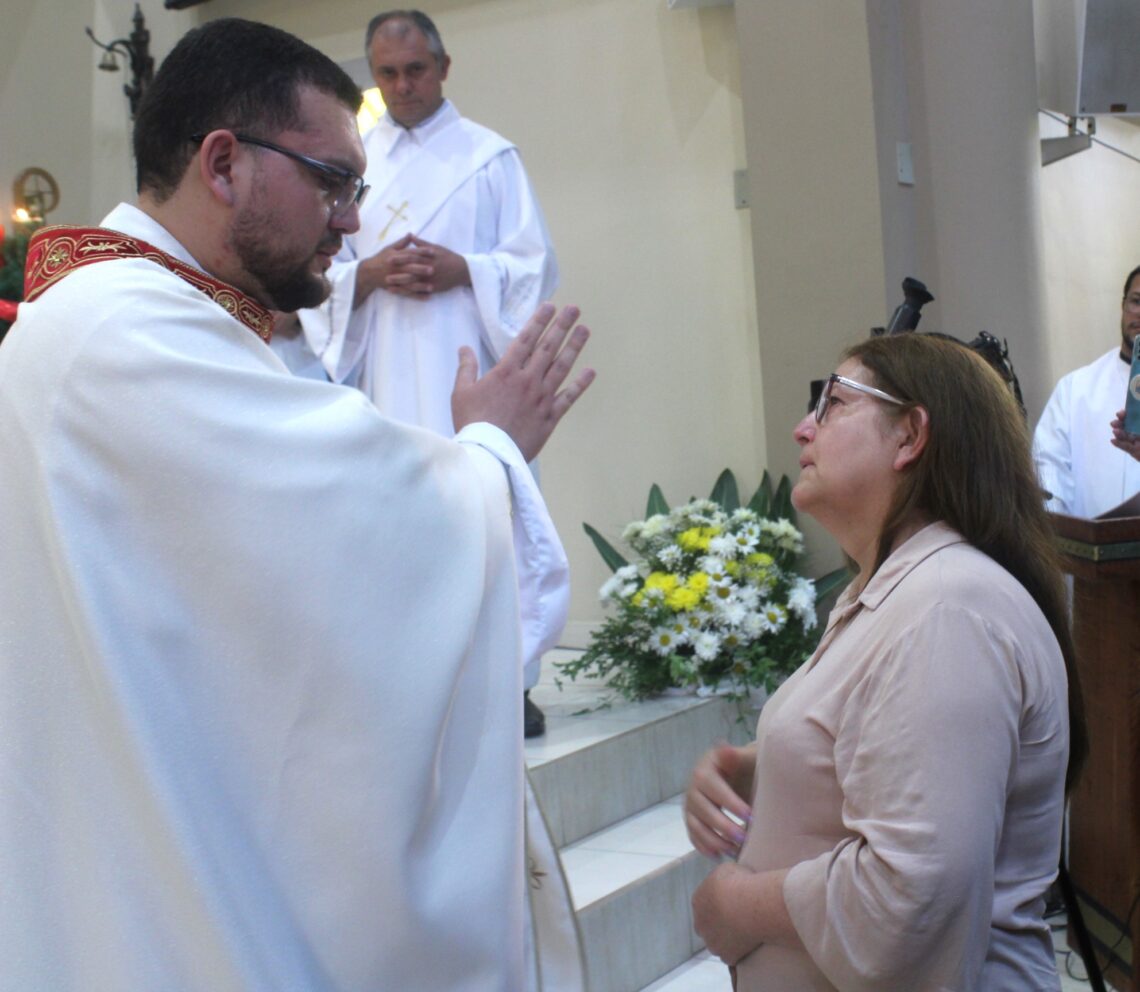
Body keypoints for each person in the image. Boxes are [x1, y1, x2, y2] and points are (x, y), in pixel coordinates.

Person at [0, 18, 593, 991]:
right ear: (225, 163)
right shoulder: (125, 336)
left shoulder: (144, 313)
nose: (354, 221)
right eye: (333, 181)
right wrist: (490, 451)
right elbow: (352, 546)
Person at [684, 334, 1086, 990]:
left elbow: (914, 896)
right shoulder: (893, 591)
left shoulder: (948, 607)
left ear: (909, 437)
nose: (802, 427)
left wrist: (735, 906)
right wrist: (764, 771)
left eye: (833, 402)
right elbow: (883, 748)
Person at [285, 9, 560, 734]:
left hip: (468, 368)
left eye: (416, 69)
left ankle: (509, 681)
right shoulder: (353, 161)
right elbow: (322, 269)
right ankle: (407, 676)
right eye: (387, 73)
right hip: (385, 377)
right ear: (372, 76)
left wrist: (465, 268)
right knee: (398, 516)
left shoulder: (490, 157)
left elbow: (533, 267)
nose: (403, 85)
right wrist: (366, 274)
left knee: (484, 509)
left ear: (443, 67)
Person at [1033, 265, 1140, 517]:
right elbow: (1049, 473)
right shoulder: (1075, 390)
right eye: (1136, 301)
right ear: (1123, 306)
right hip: (1086, 551)